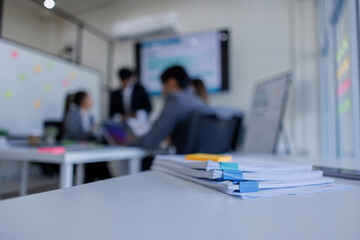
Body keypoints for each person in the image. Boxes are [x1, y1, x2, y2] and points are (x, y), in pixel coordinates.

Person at [130, 65, 207, 153]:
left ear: (171, 82)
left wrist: (128, 143)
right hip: (202, 160)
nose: (163, 91)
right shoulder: (200, 101)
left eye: (163, 85)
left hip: (183, 160)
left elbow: (150, 141)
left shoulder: (176, 99)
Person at [63, 91, 112, 183]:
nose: (91, 100)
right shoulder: (72, 115)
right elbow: (73, 134)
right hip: (74, 146)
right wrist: (91, 133)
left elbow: (92, 135)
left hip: (88, 146)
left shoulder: (90, 116)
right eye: (89, 98)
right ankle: (103, 178)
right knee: (98, 163)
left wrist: (96, 131)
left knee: (99, 155)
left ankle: (96, 179)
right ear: (82, 101)